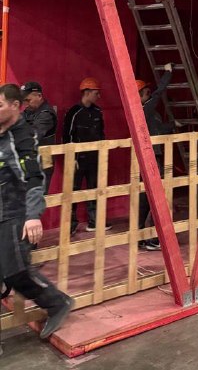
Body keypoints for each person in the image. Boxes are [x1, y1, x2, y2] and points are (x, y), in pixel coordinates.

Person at [0, 84, 73, 340]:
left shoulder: (22, 138)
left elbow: (34, 179)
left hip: (15, 211)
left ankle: (57, 303)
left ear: (15, 106)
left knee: (16, 271)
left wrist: (32, 216)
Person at [63, 78, 111, 235]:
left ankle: (94, 221)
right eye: (96, 93)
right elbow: (67, 136)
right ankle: (70, 225)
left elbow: (101, 134)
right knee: (73, 191)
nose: (99, 96)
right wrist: (72, 158)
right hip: (77, 159)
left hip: (94, 158)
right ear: (87, 92)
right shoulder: (74, 112)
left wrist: (102, 155)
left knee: (95, 189)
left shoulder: (98, 112)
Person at [137, 63, 173, 251]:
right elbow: (159, 94)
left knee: (145, 197)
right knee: (155, 197)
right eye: (146, 92)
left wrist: (174, 125)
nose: (149, 93)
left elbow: (158, 129)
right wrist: (168, 73)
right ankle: (151, 236)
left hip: (151, 155)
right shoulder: (143, 109)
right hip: (150, 157)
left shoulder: (150, 113)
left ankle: (140, 234)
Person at [21, 81, 58, 194]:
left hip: (43, 163)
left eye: (28, 100)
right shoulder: (28, 111)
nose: (26, 104)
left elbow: (33, 135)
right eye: (24, 101)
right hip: (29, 162)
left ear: (39, 96)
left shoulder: (47, 114)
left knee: (37, 198)